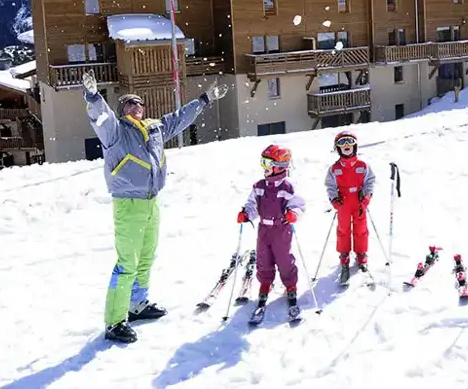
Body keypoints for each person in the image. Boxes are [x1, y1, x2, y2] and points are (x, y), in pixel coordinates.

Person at [82, 71, 229, 343]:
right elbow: (100, 116)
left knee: (146, 257)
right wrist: (92, 96)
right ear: (122, 110)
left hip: (151, 202)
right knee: (127, 263)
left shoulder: (155, 129)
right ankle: (114, 321)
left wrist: (205, 99)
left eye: (138, 103)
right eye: (129, 103)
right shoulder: (115, 131)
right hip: (128, 204)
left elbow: (180, 118)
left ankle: (137, 304)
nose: (135, 106)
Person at [236, 144, 306, 314]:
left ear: (280, 166)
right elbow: (252, 205)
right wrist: (247, 214)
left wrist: (293, 213)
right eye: (262, 162)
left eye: (267, 163)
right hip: (264, 230)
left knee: (283, 259)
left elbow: (298, 204)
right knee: (263, 258)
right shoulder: (259, 186)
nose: (264, 167)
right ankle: (265, 284)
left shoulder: (287, 187)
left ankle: (290, 285)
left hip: (281, 229)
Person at [324, 130, 376, 284]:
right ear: (338, 148)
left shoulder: (363, 166)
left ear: (355, 146)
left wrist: (366, 196)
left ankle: (361, 253)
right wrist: (334, 198)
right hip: (343, 202)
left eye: (349, 142)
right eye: (342, 143)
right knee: (343, 229)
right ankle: (344, 254)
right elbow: (330, 185)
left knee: (361, 228)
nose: (346, 145)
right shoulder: (334, 169)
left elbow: (370, 181)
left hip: (358, 201)